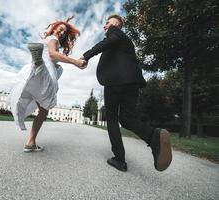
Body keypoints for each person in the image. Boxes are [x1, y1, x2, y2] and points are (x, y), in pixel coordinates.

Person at [80, 14, 172, 172]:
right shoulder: (125, 41)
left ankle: (120, 160)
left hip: (116, 81)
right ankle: (153, 136)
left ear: (116, 23)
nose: (105, 26)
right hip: (132, 82)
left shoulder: (115, 33)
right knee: (127, 118)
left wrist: (86, 55)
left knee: (112, 119)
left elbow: (109, 40)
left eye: (107, 23)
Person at [9, 16, 86, 152]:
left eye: (64, 32)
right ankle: (40, 65)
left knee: (43, 110)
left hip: (34, 74)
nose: (62, 33)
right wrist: (75, 62)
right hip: (47, 73)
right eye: (60, 30)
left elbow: (53, 51)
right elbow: (52, 54)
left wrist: (65, 23)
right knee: (45, 102)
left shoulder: (48, 39)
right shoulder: (53, 39)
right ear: (54, 28)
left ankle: (31, 142)